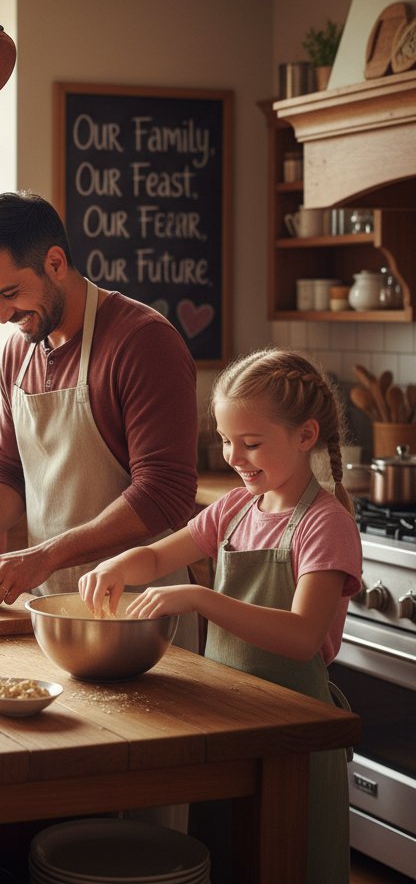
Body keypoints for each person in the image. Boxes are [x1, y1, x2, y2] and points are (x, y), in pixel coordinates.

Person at [79, 347, 361, 883]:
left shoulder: (324, 524)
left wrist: (201, 599)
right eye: (227, 440)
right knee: (229, 860)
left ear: (306, 436)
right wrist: (118, 563)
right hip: (230, 726)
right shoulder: (235, 508)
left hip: (294, 735)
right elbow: (161, 554)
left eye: (251, 444)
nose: (234, 456)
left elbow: (303, 636)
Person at [0, 191, 199, 652]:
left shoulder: (142, 342)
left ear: (56, 263)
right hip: (51, 610)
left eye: (10, 293)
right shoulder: (19, 351)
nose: (1, 316)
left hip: (139, 616)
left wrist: (44, 556)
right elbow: (9, 464)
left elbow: (166, 494)